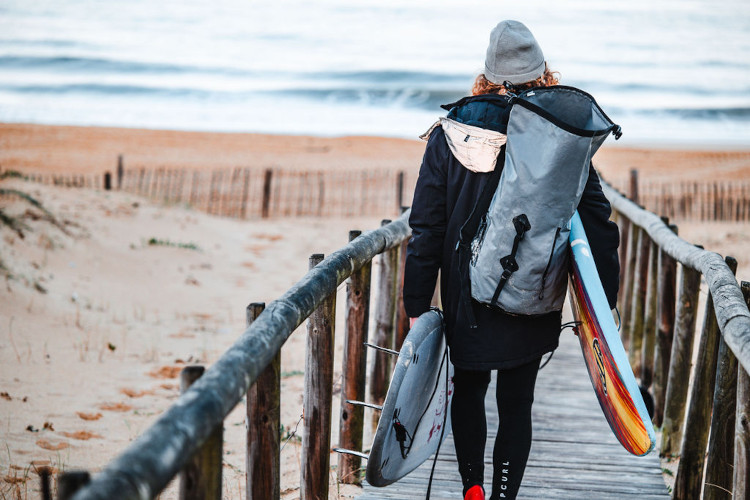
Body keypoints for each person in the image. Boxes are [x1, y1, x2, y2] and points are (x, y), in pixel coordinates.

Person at [403, 20, 620, 500]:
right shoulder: (562, 140)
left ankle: (473, 489)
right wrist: (604, 308)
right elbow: (600, 227)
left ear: (485, 74)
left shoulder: (452, 133)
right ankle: (504, 495)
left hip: (466, 292)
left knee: (470, 391)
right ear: (543, 74)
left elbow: (427, 228)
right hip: (535, 287)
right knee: (517, 403)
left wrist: (416, 302)